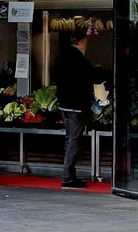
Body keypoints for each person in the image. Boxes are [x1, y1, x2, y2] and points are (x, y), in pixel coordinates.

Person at [53, 29, 104, 189]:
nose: (86, 46)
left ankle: (69, 174)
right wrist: (98, 70)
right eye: (86, 43)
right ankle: (68, 177)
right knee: (74, 141)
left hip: (64, 104)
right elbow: (93, 78)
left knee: (69, 139)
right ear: (81, 42)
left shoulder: (60, 58)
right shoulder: (80, 61)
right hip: (76, 106)